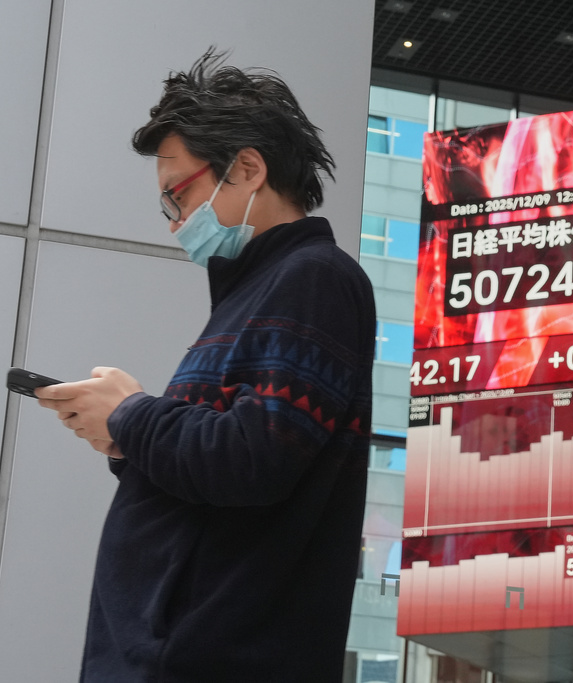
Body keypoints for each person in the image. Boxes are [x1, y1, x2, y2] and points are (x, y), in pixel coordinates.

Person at [36, 49, 376, 681]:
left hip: (204, 654)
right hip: (174, 650)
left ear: (246, 168)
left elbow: (253, 461)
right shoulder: (261, 288)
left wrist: (133, 416)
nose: (175, 225)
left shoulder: (314, 279)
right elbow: (224, 467)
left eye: (177, 196)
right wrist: (124, 436)